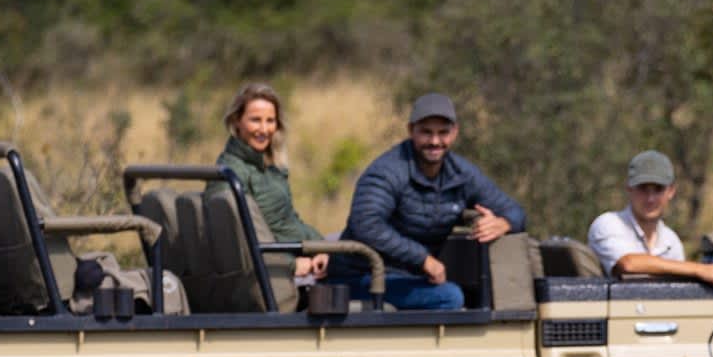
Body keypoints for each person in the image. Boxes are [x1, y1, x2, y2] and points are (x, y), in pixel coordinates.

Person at [335, 92, 527, 310]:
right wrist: (423, 259)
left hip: (410, 279)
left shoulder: (462, 174)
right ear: (411, 131)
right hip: (360, 276)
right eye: (426, 132)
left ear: (455, 133)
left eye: (443, 133)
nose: (435, 142)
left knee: (465, 295)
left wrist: (503, 223)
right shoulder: (387, 171)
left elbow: (515, 210)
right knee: (449, 297)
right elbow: (366, 224)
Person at [216, 82, 327, 279]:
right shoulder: (230, 173)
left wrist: (321, 246)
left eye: (270, 121)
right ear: (236, 122)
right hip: (276, 270)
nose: (264, 129)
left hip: (298, 250)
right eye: (255, 120)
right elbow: (238, 240)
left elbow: (289, 220)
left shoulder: (270, 166)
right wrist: (292, 265)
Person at [586, 150, 713, 286]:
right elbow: (628, 264)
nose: (650, 199)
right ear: (629, 189)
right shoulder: (608, 224)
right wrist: (700, 269)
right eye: (643, 188)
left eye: (658, 189)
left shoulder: (671, 241)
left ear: (671, 191)